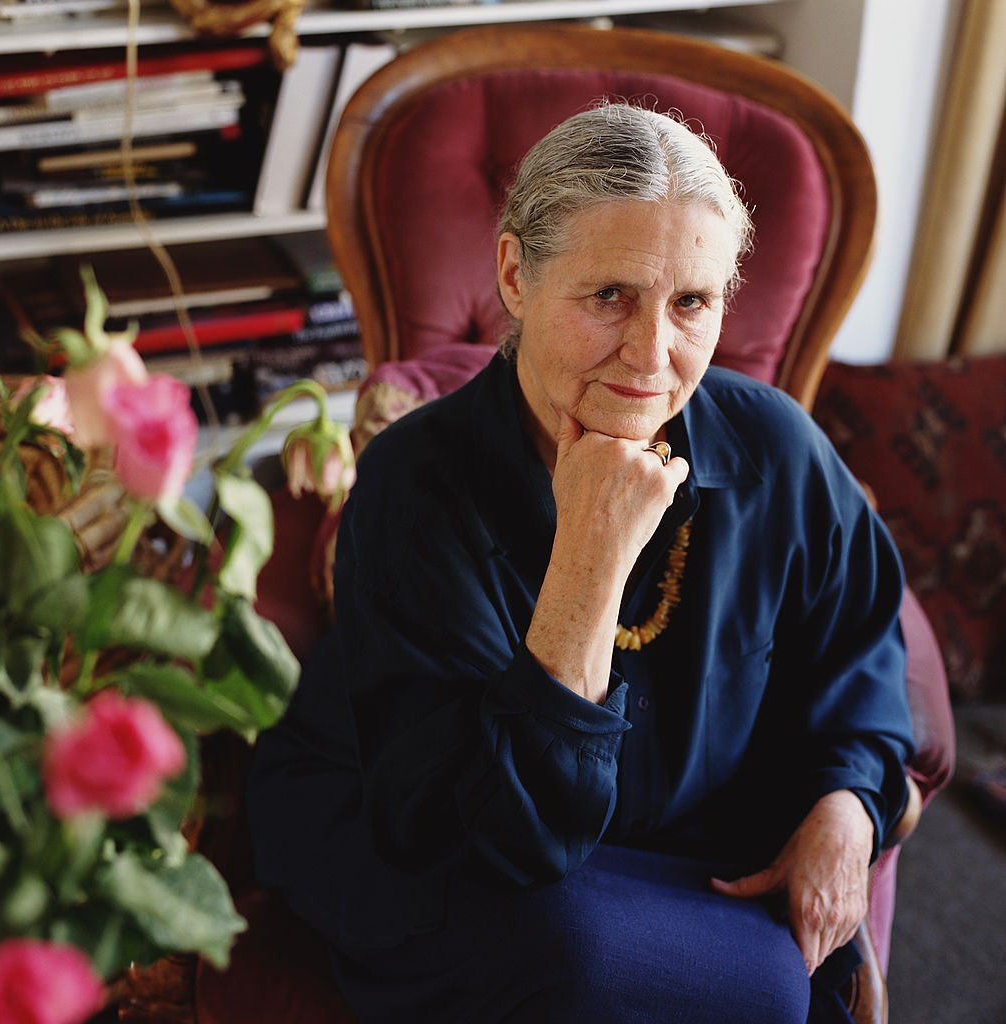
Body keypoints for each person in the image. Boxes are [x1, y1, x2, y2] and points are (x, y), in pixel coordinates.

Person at [248, 102, 914, 1023]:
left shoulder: (776, 448)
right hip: (447, 848)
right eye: (609, 296)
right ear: (516, 275)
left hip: (694, 846)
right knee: (706, 981)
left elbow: (862, 657)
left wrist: (848, 805)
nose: (651, 356)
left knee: (748, 982)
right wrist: (591, 557)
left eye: (690, 303)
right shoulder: (415, 485)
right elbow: (507, 842)